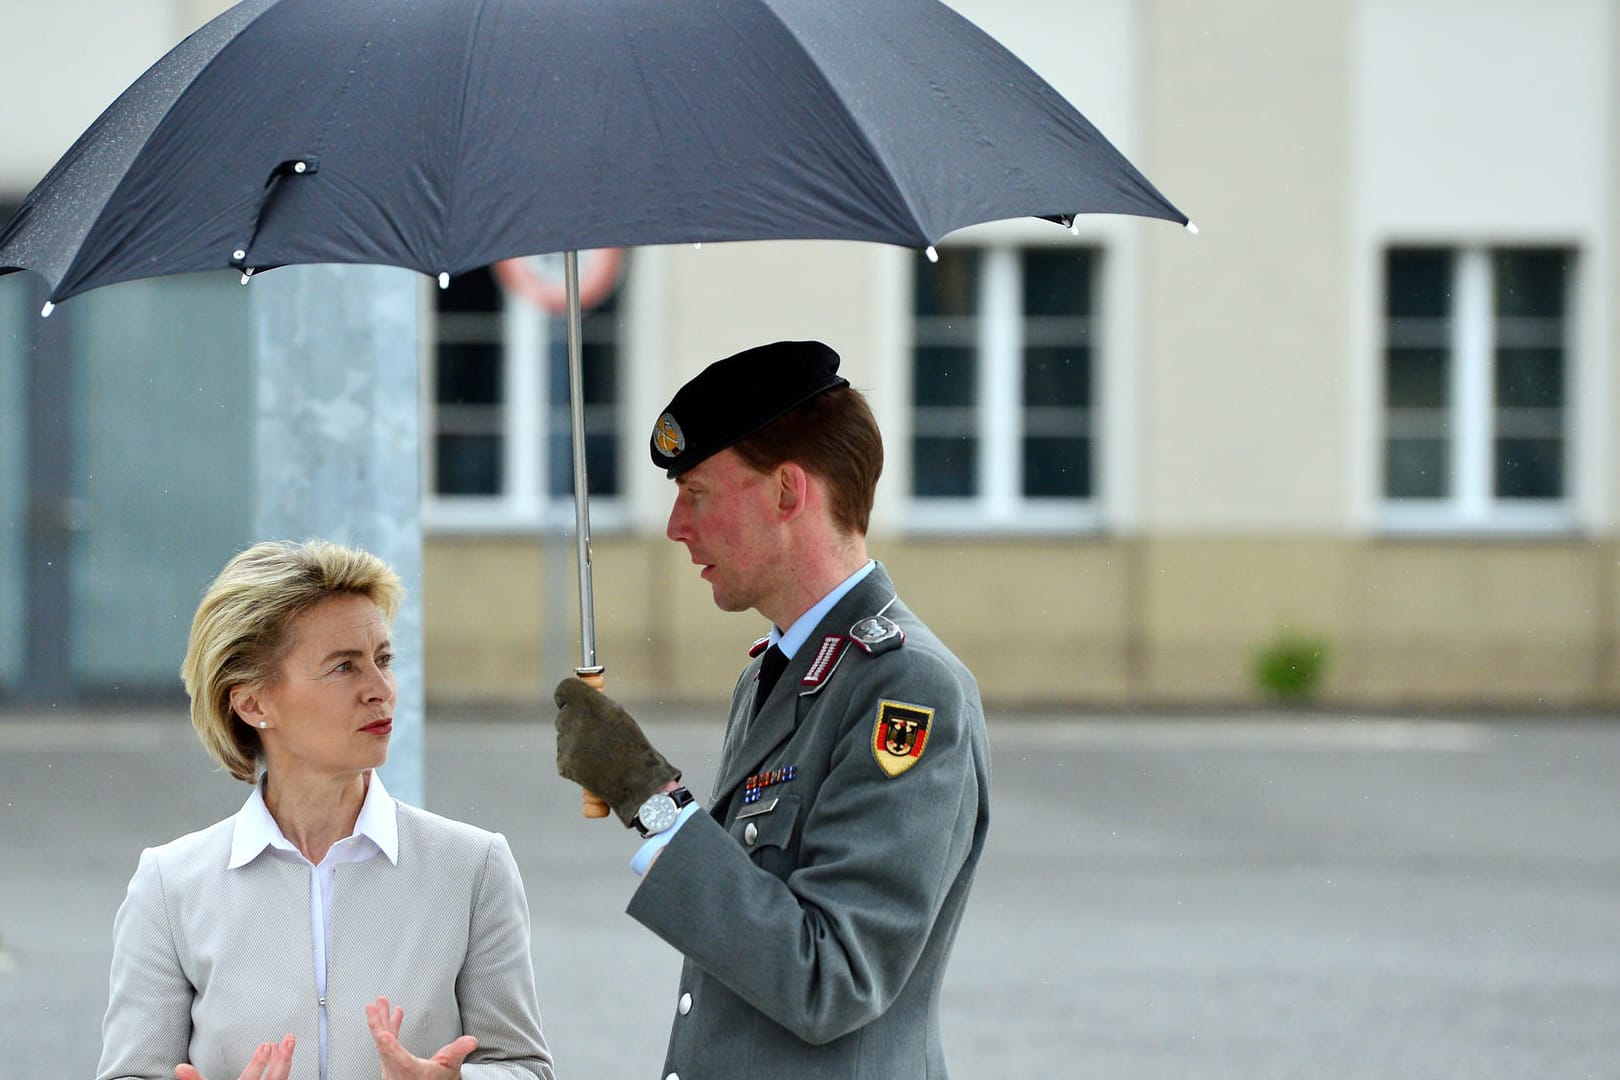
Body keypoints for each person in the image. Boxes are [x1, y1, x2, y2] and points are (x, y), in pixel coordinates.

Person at [554, 340, 991, 1079]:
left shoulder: (908, 690)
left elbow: (833, 978)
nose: (674, 526)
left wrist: (649, 798)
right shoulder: (779, 671)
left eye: (697, 493)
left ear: (788, 492)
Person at [96, 539, 554, 1080]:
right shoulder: (170, 886)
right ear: (252, 703)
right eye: (344, 667)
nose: (381, 690)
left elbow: (524, 1068)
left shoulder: (472, 866)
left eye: (383, 660)